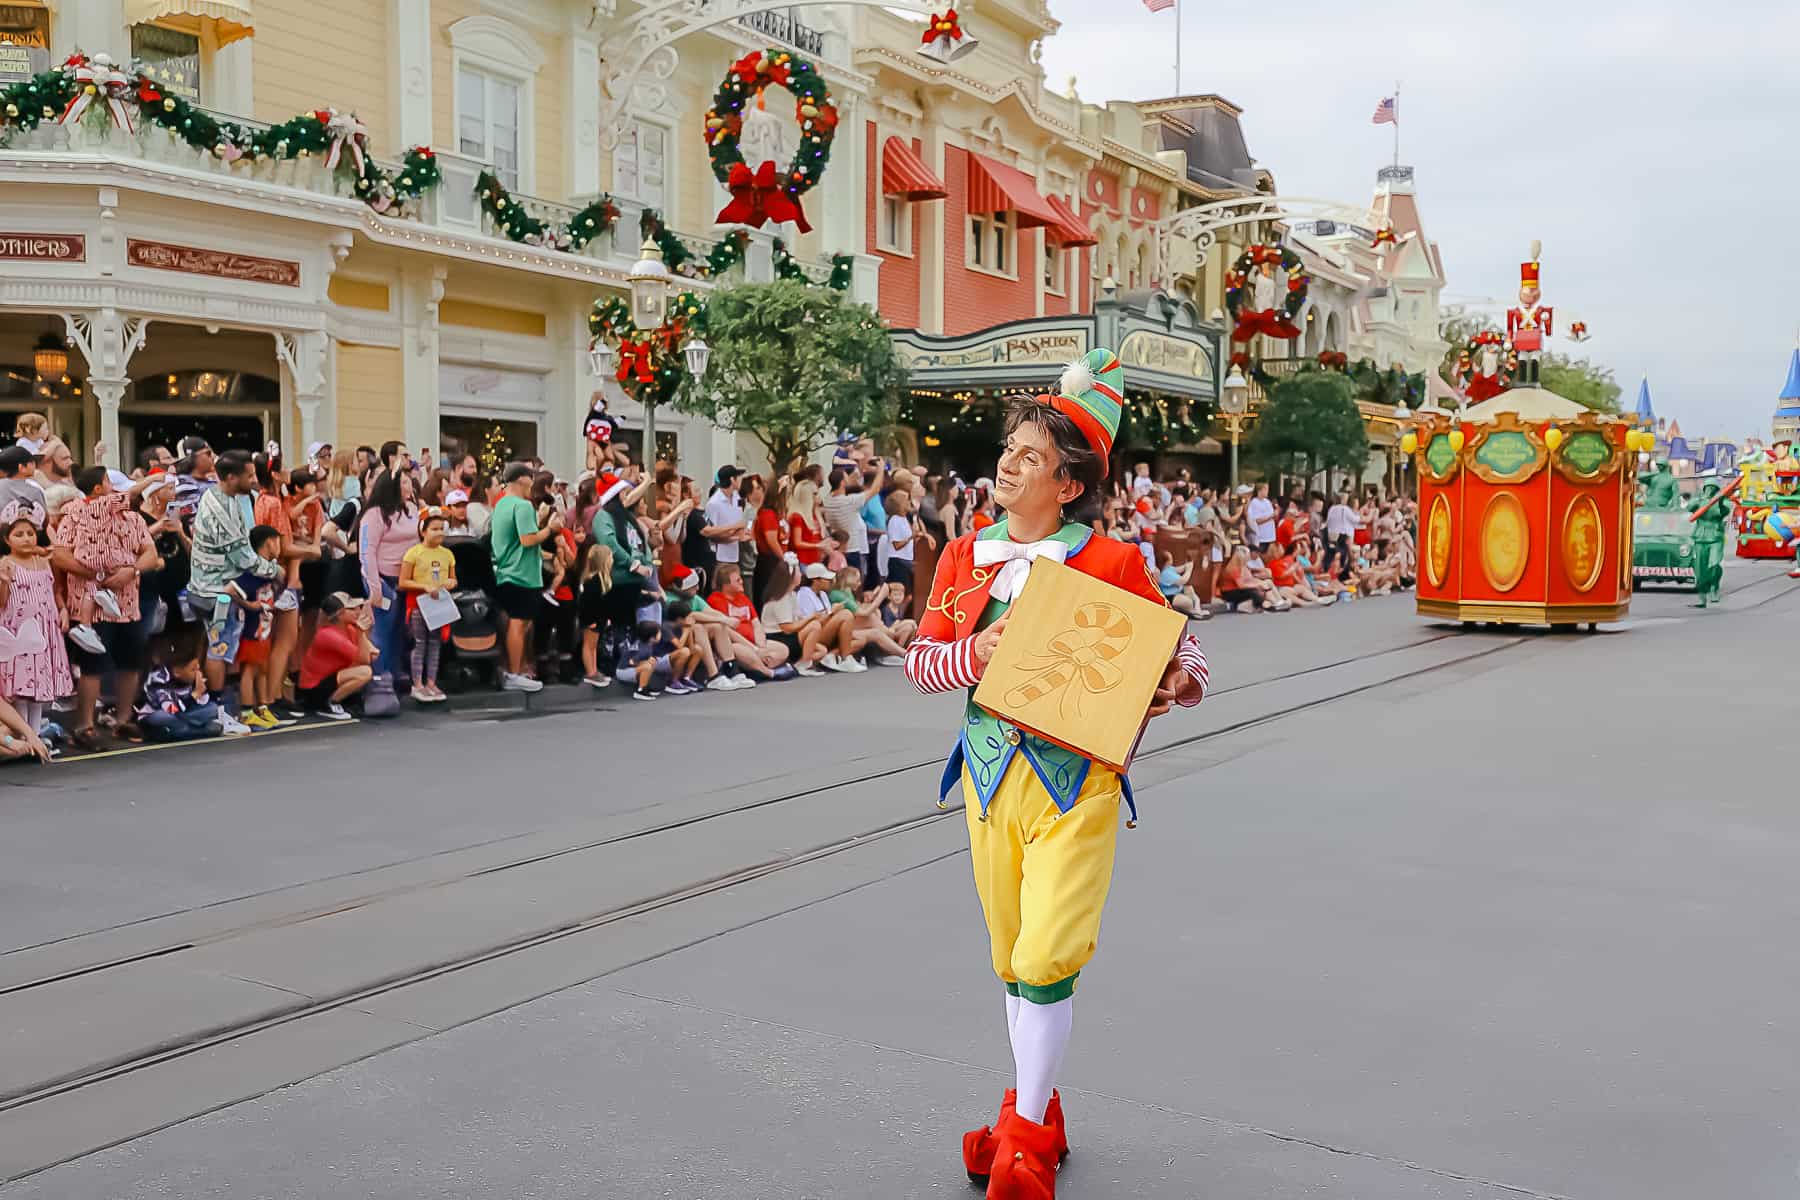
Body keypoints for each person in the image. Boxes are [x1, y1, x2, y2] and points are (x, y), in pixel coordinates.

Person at [903, 349, 1210, 1199]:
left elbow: (1185, 659)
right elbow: (922, 666)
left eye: (1031, 455)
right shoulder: (966, 556)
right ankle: (1033, 1108)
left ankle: (1026, 1138)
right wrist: (976, 652)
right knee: (1012, 958)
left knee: (1045, 957)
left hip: (1078, 782)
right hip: (990, 777)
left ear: (1069, 484)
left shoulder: (1113, 564)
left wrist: (1179, 683)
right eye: (1010, 447)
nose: (1007, 462)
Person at [51, 466, 160, 747]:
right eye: (110, 483)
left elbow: (150, 553)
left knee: (131, 661)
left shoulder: (133, 519)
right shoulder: (75, 514)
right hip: (89, 602)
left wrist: (132, 571)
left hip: (128, 602)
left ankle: (122, 720)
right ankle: (85, 725)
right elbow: (60, 555)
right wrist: (93, 574)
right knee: (92, 665)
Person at [0, 504, 71, 740]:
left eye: (30, 533)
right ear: (7, 539)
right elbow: (2, 602)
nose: (26, 539)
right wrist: (4, 581)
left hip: (44, 629)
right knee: (21, 684)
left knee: (39, 682)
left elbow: (55, 590)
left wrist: (62, 611)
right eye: (18, 534)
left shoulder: (44, 562)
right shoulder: (6, 563)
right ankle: (25, 735)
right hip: (19, 629)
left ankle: (37, 733)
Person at [490, 462, 559, 691]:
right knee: (518, 624)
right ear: (522, 480)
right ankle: (515, 672)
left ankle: (512, 670)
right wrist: (550, 529)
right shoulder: (522, 506)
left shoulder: (500, 505)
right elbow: (528, 539)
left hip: (507, 570)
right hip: (521, 574)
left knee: (518, 623)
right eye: (531, 478)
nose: (533, 484)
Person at [359, 468, 420, 683]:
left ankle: (394, 675)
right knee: (382, 632)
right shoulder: (374, 514)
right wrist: (374, 586)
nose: (409, 486)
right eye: (404, 483)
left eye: (409, 482)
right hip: (383, 580)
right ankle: (378, 679)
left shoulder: (412, 509)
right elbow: (367, 551)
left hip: (407, 581)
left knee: (400, 632)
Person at [225, 525, 283, 730]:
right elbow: (230, 589)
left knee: (262, 668)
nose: (280, 546)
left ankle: (263, 706)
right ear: (269, 542)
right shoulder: (254, 570)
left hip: (264, 627)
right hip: (252, 628)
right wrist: (250, 605)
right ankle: (247, 711)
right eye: (278, 541)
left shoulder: (269, 569)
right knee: (249, 669)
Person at [399, 507, 457, 703]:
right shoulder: (413, 553)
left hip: (439, 605)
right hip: (417, 604)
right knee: (419, 643)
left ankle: (431, 682)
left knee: (435, 643)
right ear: (423, 531)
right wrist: (424, 587)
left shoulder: (448, 554)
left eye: (442, 528)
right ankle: (417, 683)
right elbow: (403, 581)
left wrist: (451, 583)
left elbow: (453, 579)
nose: (439, 532)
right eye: (434, 529)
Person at [706, 563, 793, 681]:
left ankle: (758, 667)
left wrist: (760, 645)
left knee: (783, 649)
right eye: (737, 580)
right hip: (737, 643)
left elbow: (756, 623)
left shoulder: (743, 597)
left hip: (755, 642)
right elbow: (727, 630)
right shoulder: (716, 600)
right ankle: (768, 672)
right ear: (726, 585)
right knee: (738, 649)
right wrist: (754, 649)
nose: (742, 581)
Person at [297, 592, 375, 719]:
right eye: (351, 609)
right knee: (365, 672)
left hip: (330, 680)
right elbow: (365, 660)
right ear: (339, 614)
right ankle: (329, 703)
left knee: (361, 668)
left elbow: (371, 653)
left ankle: (337, 700)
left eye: (358, 608)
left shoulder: (349, 629)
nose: (357, 611)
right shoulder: (328, 635)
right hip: (313, 690)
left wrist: (363, 634)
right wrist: (362, 633)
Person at [758, 558, 839, 677]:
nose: (801, 575)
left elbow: (798, 619)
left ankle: (796, 664)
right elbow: (787, 628)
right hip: (778, 637)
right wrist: (811, 618)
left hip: (789, 635)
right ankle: (804, 663)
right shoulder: (781, 598)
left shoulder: (792, 594)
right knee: (814, 626)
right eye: (798, 572)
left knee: (822, 651)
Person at [823, 461, 886, 579]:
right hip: (853, 549)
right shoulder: (849, 502)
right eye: (846, 478)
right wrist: (880, 469)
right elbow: (875, 489)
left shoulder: (828, 500)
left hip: (839, 547)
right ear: (843, 482)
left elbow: (845, 486)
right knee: (855, 582)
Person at [703, 465, 752, 582]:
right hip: (721, 558)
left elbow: (743, 519)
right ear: (732, 480)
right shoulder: (714, 503)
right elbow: (711, 533)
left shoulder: (737, 498)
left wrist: (744, 530)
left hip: (736, 554)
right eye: (738, 477)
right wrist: (734, 535)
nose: (740, 480)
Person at [1246, 480, 1276, 550]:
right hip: (1261, 538)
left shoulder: (1268, 501)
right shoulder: (1254, 502)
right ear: (1260, 490)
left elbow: (1272, 516)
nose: (1267, 491)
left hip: (1271, 537)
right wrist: (1271, 516)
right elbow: (1256, 521)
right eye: (1266, 489)